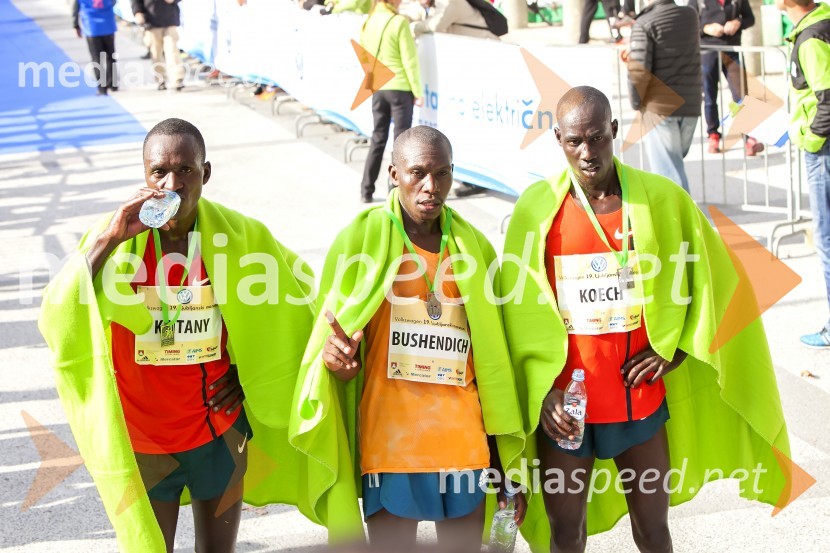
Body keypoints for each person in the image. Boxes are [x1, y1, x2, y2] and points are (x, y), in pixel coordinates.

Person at [501, 87, 790, 552]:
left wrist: (672, 349)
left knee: (654, 530)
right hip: (566, 408)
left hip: (637, 401)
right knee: (565, 532)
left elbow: (713, 280)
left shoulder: (661, 200)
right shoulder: (535, 210)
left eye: (597, 138)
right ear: (557, 138)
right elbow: (514, 315)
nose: (588, 153)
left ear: (614, 131)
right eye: (575, 141)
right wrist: (540, 392)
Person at [38, 118, 315, 551]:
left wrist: (252, 376)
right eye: (159, 172)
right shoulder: (114, 237)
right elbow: (58, 314)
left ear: (206, 173)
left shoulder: (243, 236)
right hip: (145, 435)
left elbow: (297, 308)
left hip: (219, 430)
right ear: (144, 175)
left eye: (186, 170)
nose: (172, 183)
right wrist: (109, 239)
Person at [289, 126, 527, 550]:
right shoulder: (360, 242)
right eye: (417, 173)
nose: (430, 187)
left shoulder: (475, 248)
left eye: (442, 174)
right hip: (391, 442)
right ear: (394, 173)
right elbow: (331, 347)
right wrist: (336, 363)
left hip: (464, 442)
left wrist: (502, 462)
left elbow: (492, 361)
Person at [775, 0, 830, 348]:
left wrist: (811, 140)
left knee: (826, 239)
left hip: (823, 151)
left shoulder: (811, 36)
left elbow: (827, 98)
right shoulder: (817, 26)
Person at [626, 0, 702, 193]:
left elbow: (639, 71)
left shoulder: (645, 23)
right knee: (673, 165)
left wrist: (636, 103)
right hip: (690, 105)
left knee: (669, 175)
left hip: (659, 108)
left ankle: (681, 221)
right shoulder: (690, 15)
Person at [359, 0, 423, 204]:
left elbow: (364, 56)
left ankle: (366, 189)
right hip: (400, 87)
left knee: (378, 137)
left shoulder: (368, 21)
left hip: (378, 86)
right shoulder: (398, 22)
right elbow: (409, 59)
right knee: (401, 142)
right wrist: (417, 90)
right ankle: (394, 191)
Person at [695, 0, 764, 155]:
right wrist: (705, 28)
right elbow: (688, 22)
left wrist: (738, 22)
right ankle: (713, 135)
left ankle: (749, 137)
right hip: (707, 51)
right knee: (709, 96)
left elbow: (750, 19)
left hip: (732, 50)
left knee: (742, 95)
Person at [132, 0, 185, 91]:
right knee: (156, 53)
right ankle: (161, 79)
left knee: (172, 50)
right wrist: (137, 12)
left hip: (170, 18)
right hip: (151, 20)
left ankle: (177, 78)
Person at [72, 0, 118, 95]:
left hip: (92, 27)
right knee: (111, 56)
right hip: (108, 24)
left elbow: (75, 9)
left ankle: (102, 87)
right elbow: (114, 2)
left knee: (97, 59)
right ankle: (113, 83)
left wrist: (76, 25)